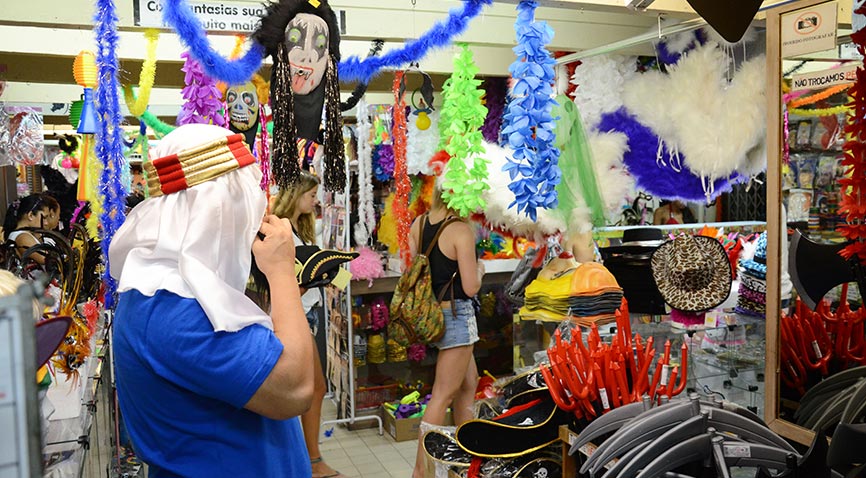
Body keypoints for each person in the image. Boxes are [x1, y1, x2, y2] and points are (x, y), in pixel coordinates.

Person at [108, 124, 314, 477]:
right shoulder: (174, 311)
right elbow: (295, 388)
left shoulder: (164, 287)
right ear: (217, 208)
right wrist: (281, 272)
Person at [410, 182, 485, 478]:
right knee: (442, 394)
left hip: (433, 315)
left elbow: (414, 270)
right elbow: (470, 286)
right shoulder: (460, 231)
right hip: (456, 315)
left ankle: (468, 456)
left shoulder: (419, 223)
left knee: (469, 383)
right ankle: (420, 470)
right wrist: (479, 270)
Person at [271, 171, 342, 478]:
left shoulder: (295, 227)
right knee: (312, 389)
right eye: (311, 195)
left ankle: (309, 459)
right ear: (295, 194)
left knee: (312, 388)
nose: (315, 201)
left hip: (306, 311)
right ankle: (312, 462)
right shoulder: (280, 229)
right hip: (295, 314)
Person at [3, 193, 61, 264]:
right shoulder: (23, 237)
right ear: (30, 215)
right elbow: (47, 260)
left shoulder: (25, 234)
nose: (46, 223)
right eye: (44, 217)